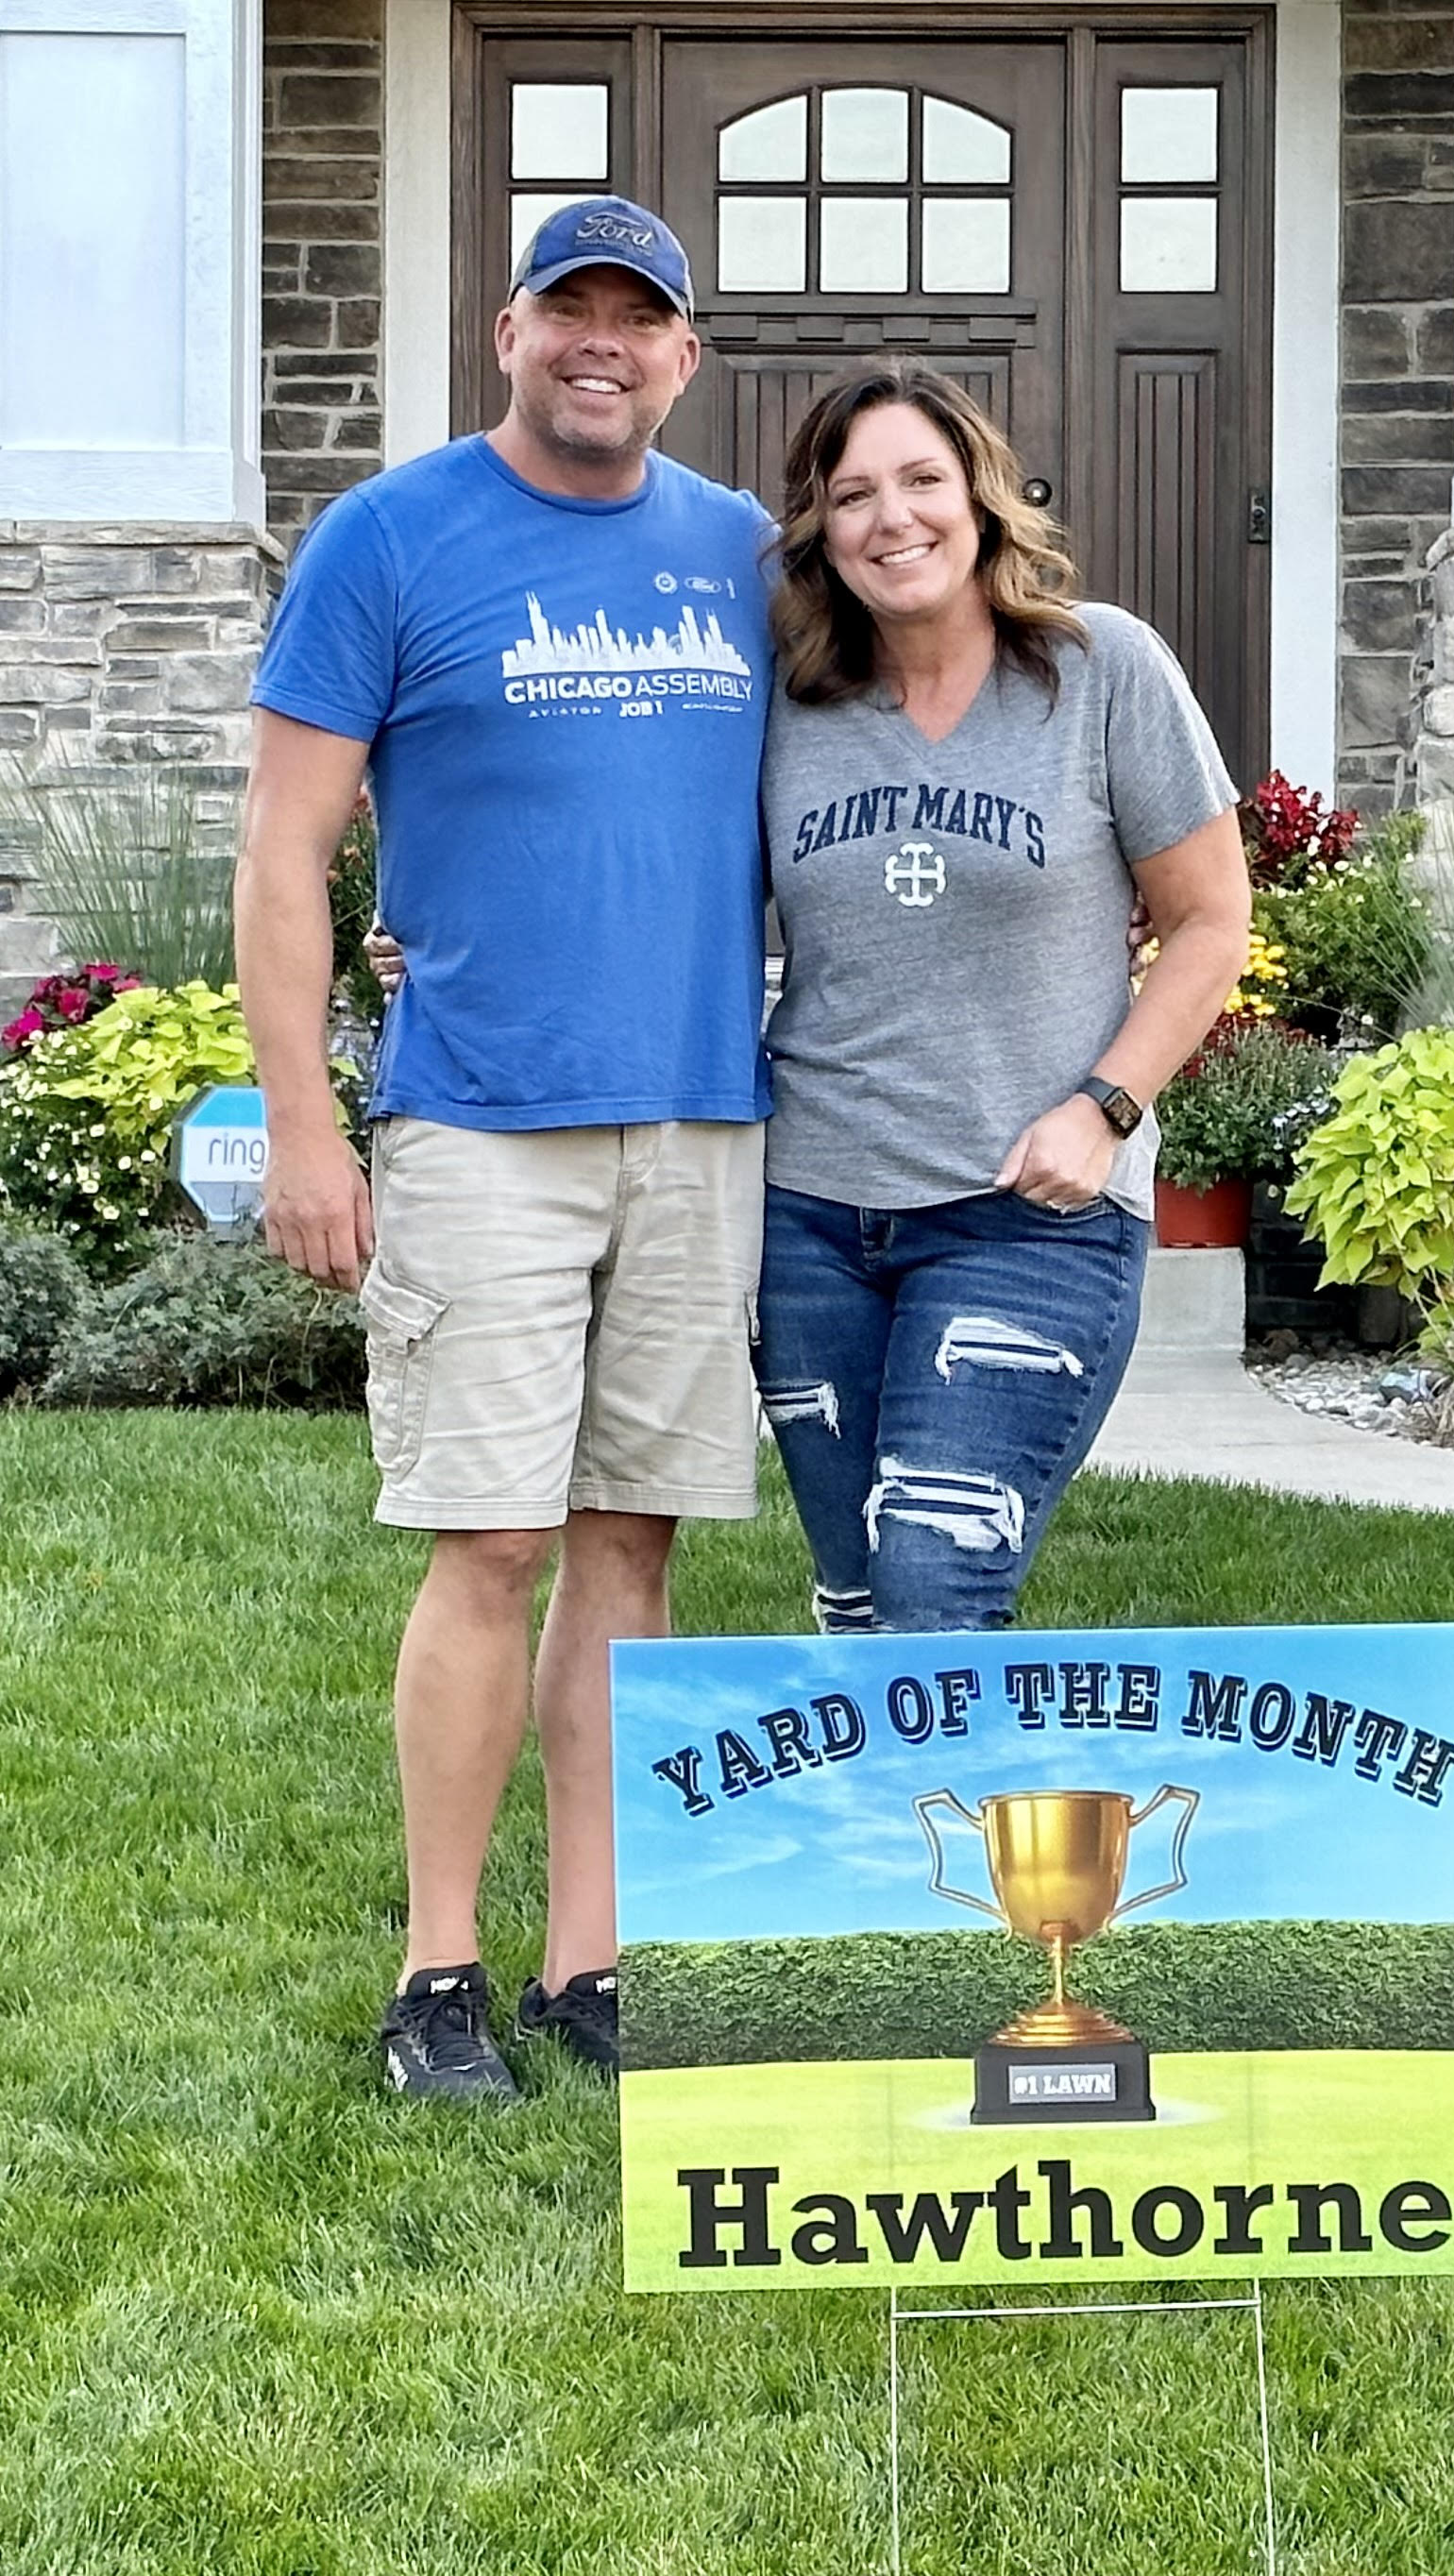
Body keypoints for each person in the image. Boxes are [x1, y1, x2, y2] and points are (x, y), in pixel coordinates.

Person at [233, 196, 773, 2106]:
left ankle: (589, 1965)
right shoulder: (390, 540)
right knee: (490, 1541)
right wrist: (307, 1122)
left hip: (704, 1118)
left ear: (685, 358)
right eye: (574, 311)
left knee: (635, 1544)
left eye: (642, 319)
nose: (603, 345)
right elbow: (289, 848)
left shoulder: (747, 562)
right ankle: (438, 1973)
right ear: (509, 331)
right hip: (477, 1124)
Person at [752, 366, 1254, 1631]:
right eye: (853, 494)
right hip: (812, 1217)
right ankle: (910, 1837)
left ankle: (959, 1828)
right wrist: (450, 940)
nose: (891, 517)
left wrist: (1104, 1108)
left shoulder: (1102, 672)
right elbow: (653, 885)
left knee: (935, 1589)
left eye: (921, 480)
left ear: (980, 498)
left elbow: (1209, 923)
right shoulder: (789, 703)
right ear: (822, 530)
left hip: (1029, 1218)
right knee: (861, 1603)